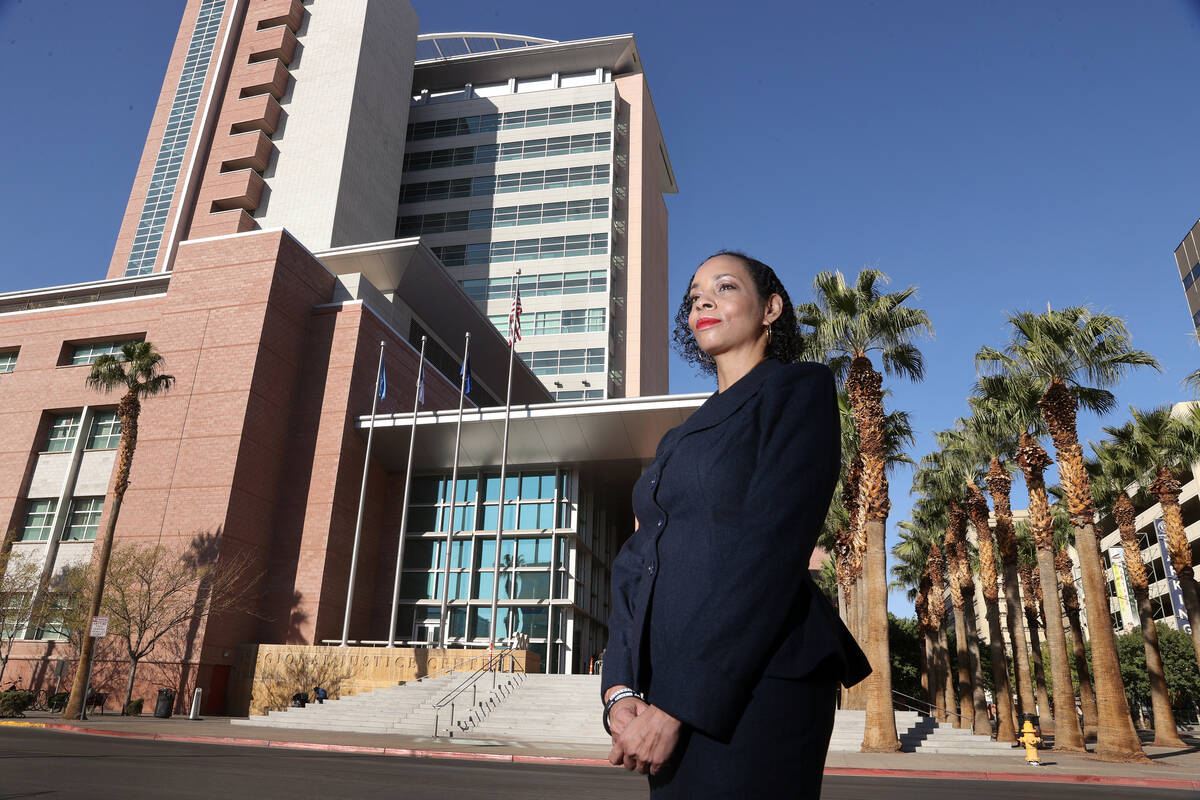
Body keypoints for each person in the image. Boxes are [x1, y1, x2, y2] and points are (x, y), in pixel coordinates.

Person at [600, 251, 871, 798]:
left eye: (724, 287)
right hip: (668, 687)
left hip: (758, 681)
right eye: (696, 292)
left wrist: (679, 701)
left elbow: (770, 550)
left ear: (770, 308)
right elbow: (637, 561)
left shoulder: (798, 390)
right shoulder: (679, 437)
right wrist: (621, 687)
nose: (703, 298)